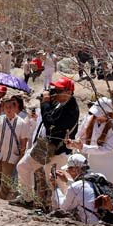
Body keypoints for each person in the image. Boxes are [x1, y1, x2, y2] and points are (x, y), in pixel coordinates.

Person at [14, 77, 80, 208]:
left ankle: (68, 209)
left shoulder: (71, 109)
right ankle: (26, 198)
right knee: (23, 166)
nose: (55, 92)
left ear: (68, 91)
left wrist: (45, 103)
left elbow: (50, 123)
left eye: (59, 90)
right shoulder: (60, 103)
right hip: (46, 147)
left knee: (59, 184)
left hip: (58, 153)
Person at [0, 96, 29, 199]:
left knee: (6, 183)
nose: (8, 109)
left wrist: (20, 158)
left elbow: (23, 142)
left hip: (11, 156)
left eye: (10, 107)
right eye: (6, 107)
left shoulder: (22, 123)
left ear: (15, 107)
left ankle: (0, 201)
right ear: (3, 108)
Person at [67, 97, 113, 185]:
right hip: (91, 163)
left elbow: (109, 148)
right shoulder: (89, 119)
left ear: (107, 113)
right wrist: (73, 144)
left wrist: (84, 147)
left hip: (109, 165)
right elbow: (79, 138)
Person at [49, 154, 100, 225]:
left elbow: (63, 207)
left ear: (74, 169)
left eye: (68, 169)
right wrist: (67, 181)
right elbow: (83, 187)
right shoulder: (100, 177)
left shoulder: (75, 187)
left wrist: (55, 187)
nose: (67, 172)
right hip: (103, 220)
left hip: (89, 224)